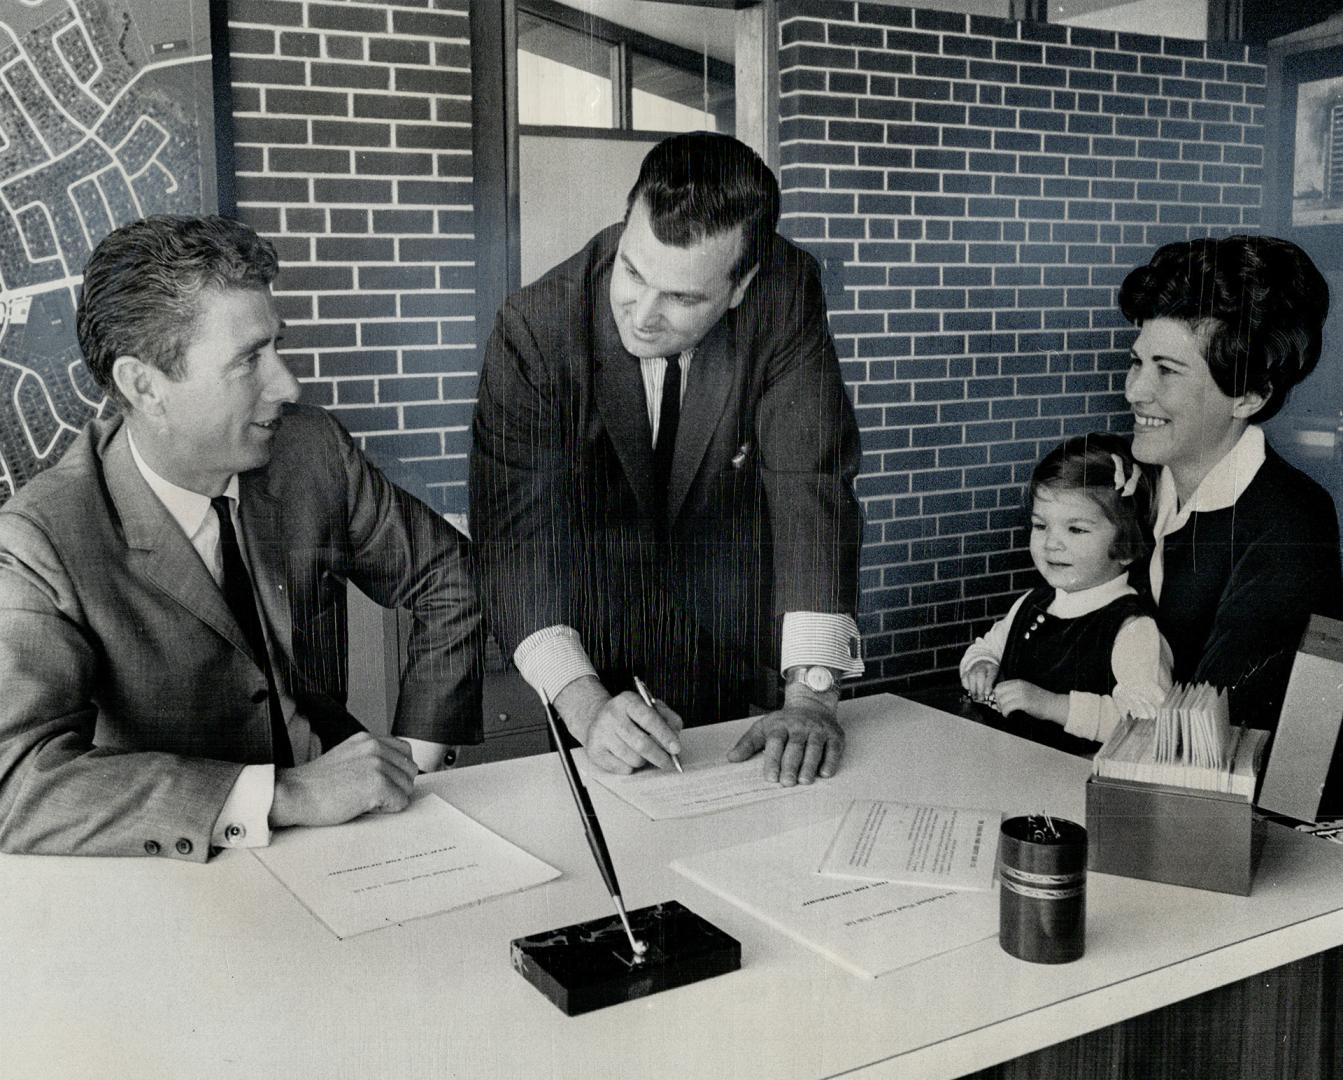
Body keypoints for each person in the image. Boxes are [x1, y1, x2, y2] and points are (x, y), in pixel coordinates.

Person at [0, 215, 484, 861]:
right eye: (248, 360)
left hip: (345, 840)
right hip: (178, 868)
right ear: (144, 386)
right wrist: (283, 795)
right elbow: (18, 785)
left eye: (275, 346)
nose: (287, 385)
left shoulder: (310, 451)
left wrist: (416, 761)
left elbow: (450, 579)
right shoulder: (41, 542)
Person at [470, 131, 863, 786]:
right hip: (583, 628)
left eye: (682, 297)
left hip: (720, 625)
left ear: (741, 286)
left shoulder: (784, 291)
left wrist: (811, 694)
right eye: (631, 272)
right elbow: (514, 540)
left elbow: (810, 479)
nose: (643, 316)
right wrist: (586, 705)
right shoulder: (533, 330)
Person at [1119, 234, 1343, 728]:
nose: (1135, 391)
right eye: (1138, 361)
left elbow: (1212, 722)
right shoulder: (1129, 480)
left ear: (1248, 397)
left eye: (1168, 371)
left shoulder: (1291, 523)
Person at [960, 433, 1171, 750]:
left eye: (1076, 529)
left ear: (1127, 547)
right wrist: (981, 667)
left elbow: (1149, 723)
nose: (1051, 543)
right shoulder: (1032, 604)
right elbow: (986, 648)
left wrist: (1052, 705)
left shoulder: (1132, 628)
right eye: (1041, 525)